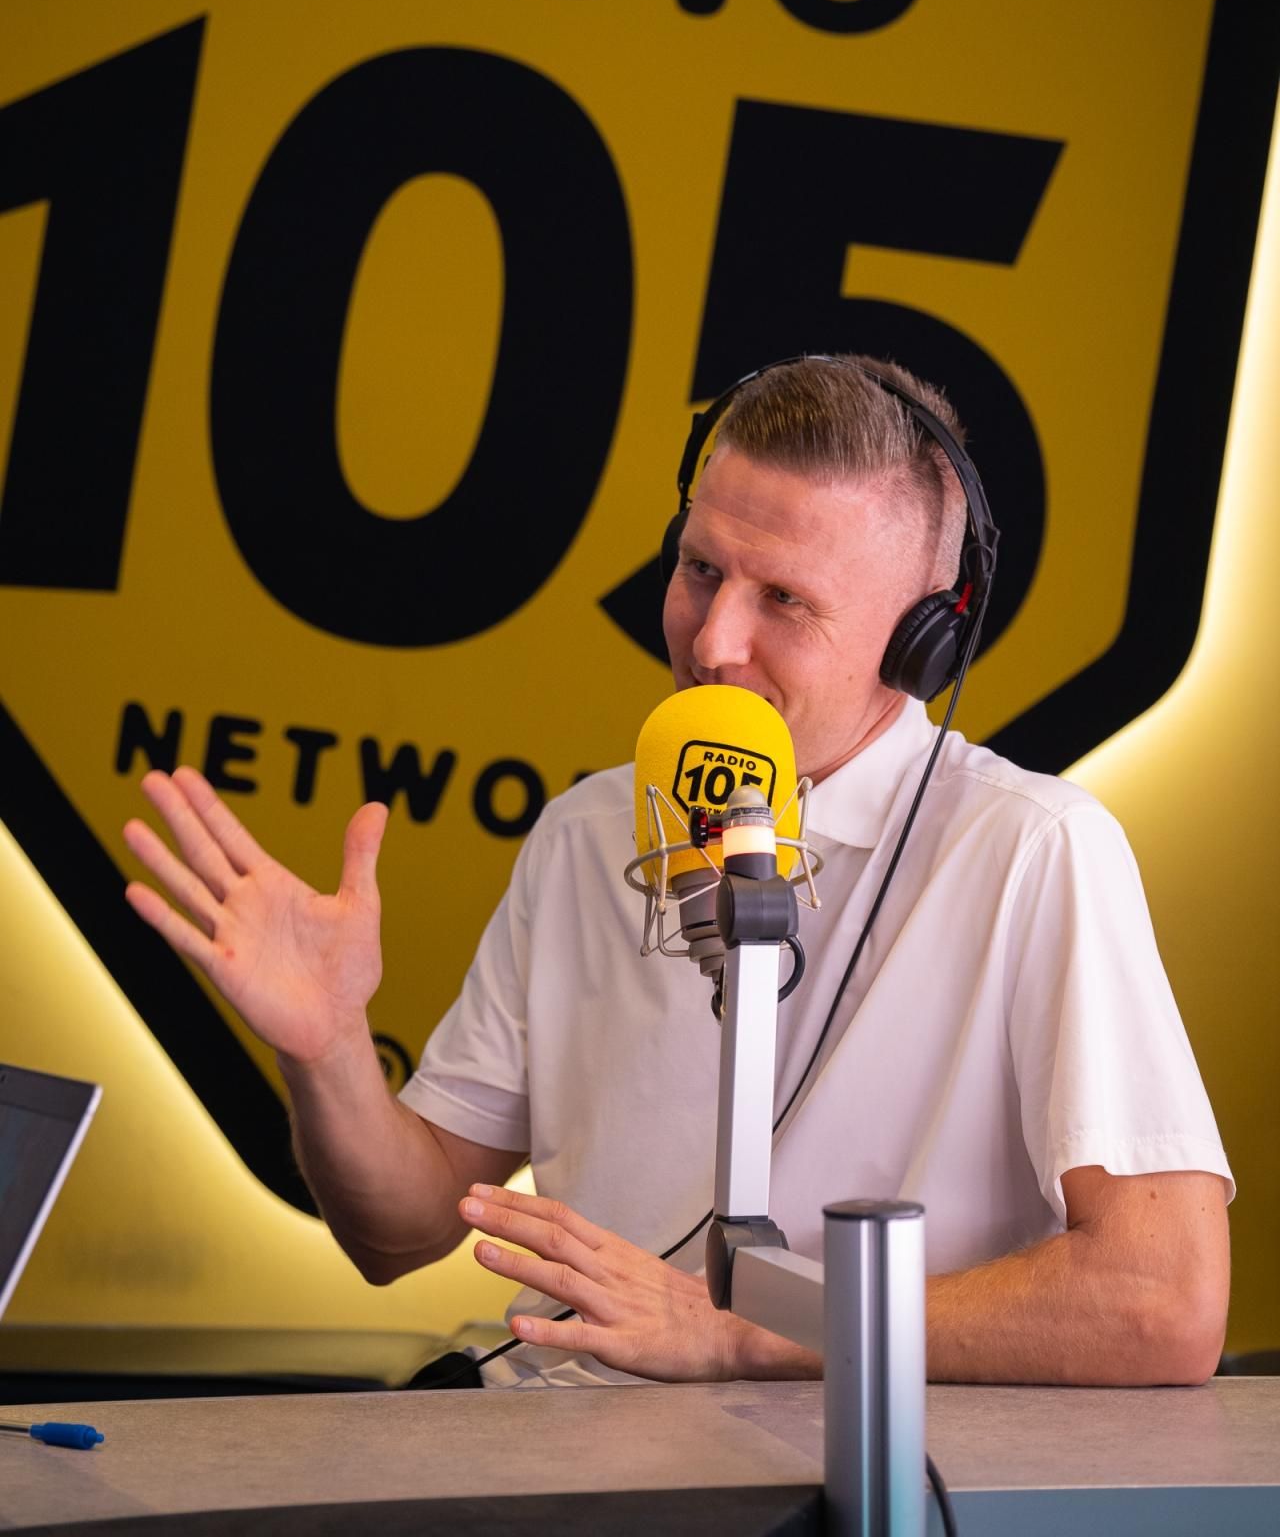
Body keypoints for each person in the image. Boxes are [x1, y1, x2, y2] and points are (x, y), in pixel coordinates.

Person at [123, 355, 1232, 1389]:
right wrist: (326, 1052)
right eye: (701, 570)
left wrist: (741, 1334)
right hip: (546, 1456)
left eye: (784, 600)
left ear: (921, 646)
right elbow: (398, 1231)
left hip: (830, 1476)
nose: (710, 643)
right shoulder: (584, 833)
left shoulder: (1031, 850)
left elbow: (1160, 1301)